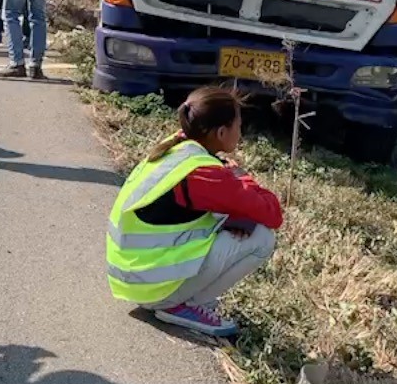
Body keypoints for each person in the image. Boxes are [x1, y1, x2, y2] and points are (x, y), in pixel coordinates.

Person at [107, 87, 282, 338]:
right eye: (239, 126)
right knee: (263, 237)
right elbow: (272, 214)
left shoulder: (176, 147)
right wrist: (242, 177)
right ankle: (184, 305)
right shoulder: (205, 174)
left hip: (132, 276)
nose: (240, 134)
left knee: (232, 219)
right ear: (221, 132)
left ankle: (180, 297)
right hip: (152, 288)